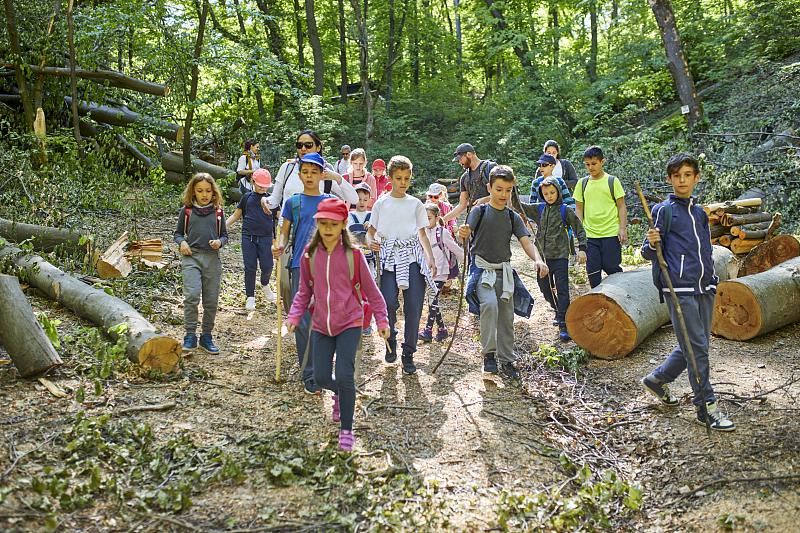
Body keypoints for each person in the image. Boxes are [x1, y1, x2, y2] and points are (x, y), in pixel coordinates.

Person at [286, 198, 390, 451]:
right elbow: (303, 293)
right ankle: (339, 394)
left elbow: (373, 292)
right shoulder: (309, 255)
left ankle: (346, 428)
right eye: (322, 224)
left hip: (350, 323)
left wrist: (382, 320)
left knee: (345, 374)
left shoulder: (354, 256)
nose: (328, 228)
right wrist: (293, 316)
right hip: (321, 324)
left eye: (333, 224)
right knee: (321, 376)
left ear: (343, 224)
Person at [640, 153, 734, 431]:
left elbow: (705, 249)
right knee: (698, 350)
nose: (682, 181)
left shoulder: (700, 213)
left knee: (696, 345)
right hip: (677, 287)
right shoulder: (663, 210)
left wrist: (713, 280)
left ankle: (657, 380)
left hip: (704, 286)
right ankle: (707, 408)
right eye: (677, 176)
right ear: (669, 179)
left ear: (696, 177)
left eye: (688, 175)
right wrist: (650, 243)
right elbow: (649, 253)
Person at [272, 152, 358, 394]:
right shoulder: (293, 202)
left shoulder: (332, 201)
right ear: (299, 175)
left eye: (314, 172)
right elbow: (284, 233)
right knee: (305, 323)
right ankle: (309, 374)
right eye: (305, 172)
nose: (309, 176)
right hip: (302, 266)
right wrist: (279, 246)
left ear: (322, 174)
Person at [458, 165, 548, 378]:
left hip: (504, 271)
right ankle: (489, 354)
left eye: (508, 190)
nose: (503, 195)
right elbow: (466, 231)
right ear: (489, 187)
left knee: (507, 315)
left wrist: (538, 259)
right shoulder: (479, 211)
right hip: (482, 269)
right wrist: (462, 233)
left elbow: (526, 242)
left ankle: (507, 359)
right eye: (499, 189)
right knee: (489, 305)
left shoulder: (512, 217)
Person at [265, 130, 358, 311]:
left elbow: (353, 199)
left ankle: (311, 323)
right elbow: (275, 199)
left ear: (318, 147)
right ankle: (296, 318)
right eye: (299, 145)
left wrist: (337, 178)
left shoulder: (325, 170)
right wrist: (264, 201)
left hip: (318, 233)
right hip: (288, 229)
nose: (303, 148)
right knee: (286, 282)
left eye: (308, 145)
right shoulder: (288, 169)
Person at [366, 155, 438, 374]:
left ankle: (409, 352)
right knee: (388, 302)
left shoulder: (415, 204)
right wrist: (372, 244)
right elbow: (369, 233)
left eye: (407, 178)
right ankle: (391, 340)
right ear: (389, 178)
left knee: (414, 306)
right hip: (389, 258)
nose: (403, 182)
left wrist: (430, 258)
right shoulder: (381, 203)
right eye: (399, 178)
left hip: (412, 257)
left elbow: (422, 234)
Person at [512, 177, 587, 340]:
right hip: (542, 258)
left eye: (552, 192)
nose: (549, 196)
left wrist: (582, 249)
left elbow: (580, 230)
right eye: (545, 193)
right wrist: (514, 188)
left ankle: (563, 323)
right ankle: (557, 309)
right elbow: (518, 206)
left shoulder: (565, 210)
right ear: (541, 194)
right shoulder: (539, 209)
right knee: (544, 287)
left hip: (560, 256)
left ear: (558, 192)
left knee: (562, 288)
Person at [174, 173, 228, 355]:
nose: (204, 194)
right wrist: (182, 242)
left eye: (208, 191)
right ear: (193, 192)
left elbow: (225, 236)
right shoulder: (186, 212)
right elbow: (178, 233)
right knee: (192, 296)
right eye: (199, 191)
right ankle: (190, 335)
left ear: (213, 192)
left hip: (212, 259)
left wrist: (220, 242)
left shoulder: (218, 213)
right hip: (192, 257)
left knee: (211, 301)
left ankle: (206, 336)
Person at [574, 145, 628, 288]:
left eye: (594, 164)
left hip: (611, 233)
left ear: (602, 162)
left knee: (611, 268)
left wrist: (622, 228)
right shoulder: (582, 183)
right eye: (587, 164)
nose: (590, 167)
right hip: (590, 235)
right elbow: (578, 210)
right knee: (593, 271)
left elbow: (621, 206)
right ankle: (596, 301)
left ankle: (620, 298)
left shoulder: (612, 181)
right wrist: (580, 235)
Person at [225, 168, 275, 310]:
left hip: (266, 237)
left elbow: (280, 217)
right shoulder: (246, 197)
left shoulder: (272, 199)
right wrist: (221, 227)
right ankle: (250, 296)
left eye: (264, 185)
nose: (261, 187)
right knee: (250, 267)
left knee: (268, 265)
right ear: (253, 181)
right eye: (258, 184)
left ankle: (265, 283)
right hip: (248, 236)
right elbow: (236, 215)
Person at [419, 203, 464, 343]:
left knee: (432, 298)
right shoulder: (422, 233)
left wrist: (471, 261)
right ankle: (443, 330)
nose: (427, 221)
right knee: (433, 300)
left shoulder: (443, 233)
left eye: (429, 218)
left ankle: (428, 330)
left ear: (437, 217)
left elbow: (456, 249)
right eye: (424, 218)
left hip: (441, 272)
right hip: (428, 272)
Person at [442, 142, 496, 224]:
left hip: (493, 219)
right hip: (476, 221)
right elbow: (462, 205)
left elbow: (504, 193)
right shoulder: (464, 177)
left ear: (469, 154)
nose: (460, 162)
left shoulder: (490, 168)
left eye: (460, 159)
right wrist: (443, 219)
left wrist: (484, 200)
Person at [348, 183, 378, 335]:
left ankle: (366, 323)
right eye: (359, 199)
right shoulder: (349, 216)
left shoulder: (373, 216)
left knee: (368, 290)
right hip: (353, 261)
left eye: (365, 199)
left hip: (369, 260)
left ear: (369, 200)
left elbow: (379, 235)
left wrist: (372, 226)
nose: (361, 202)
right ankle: (354, 319)